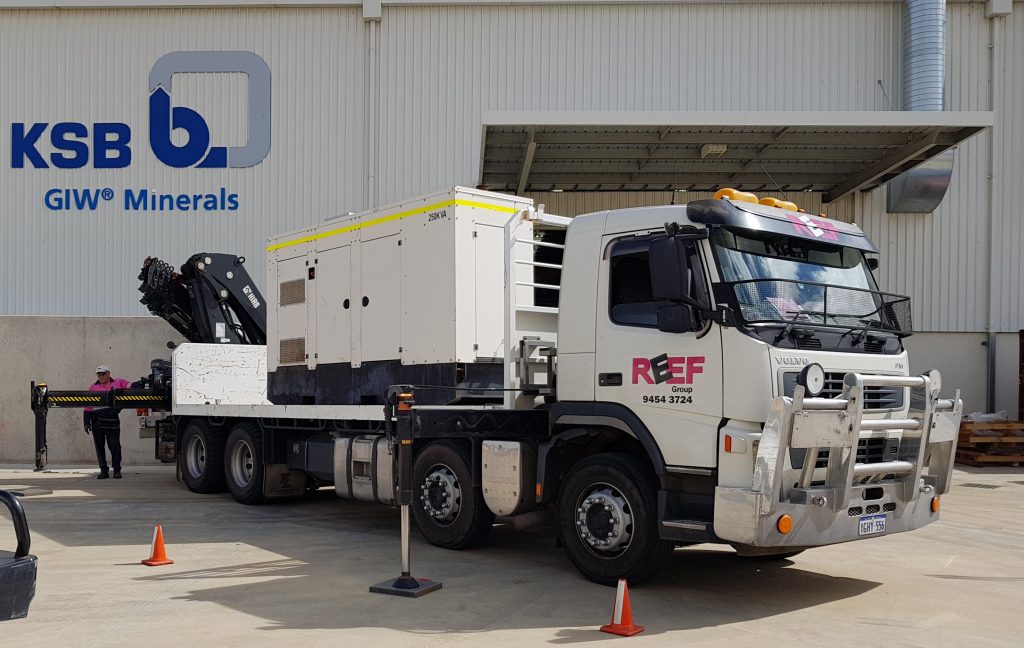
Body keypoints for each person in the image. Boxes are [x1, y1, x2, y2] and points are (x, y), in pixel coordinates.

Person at [83, 365, 131, 479]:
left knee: (114, 445)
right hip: (96, 420)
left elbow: (130, 386)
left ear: (109, 373)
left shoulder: (118, 382)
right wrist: (86, 422)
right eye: (98, 374)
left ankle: (117, 470)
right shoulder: (93, 388)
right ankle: (103, 470)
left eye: (103, 373)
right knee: (99, 446)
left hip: (112, 419)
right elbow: (87, 407)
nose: (101, 376)